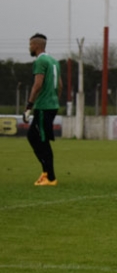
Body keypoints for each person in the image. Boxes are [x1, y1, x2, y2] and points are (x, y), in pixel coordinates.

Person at [25, 33, 61, 186]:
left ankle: (50, 176)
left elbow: (37, 84)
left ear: (36, 45)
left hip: (43, 106)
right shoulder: (54, 61)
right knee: (34, 136)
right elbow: (60, 85)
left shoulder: (40, 61)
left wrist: (29, 105)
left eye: (30, 45)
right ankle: (46, 172)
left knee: (41, 139)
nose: (29, 47)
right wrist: (55, 100)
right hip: (52, 105)